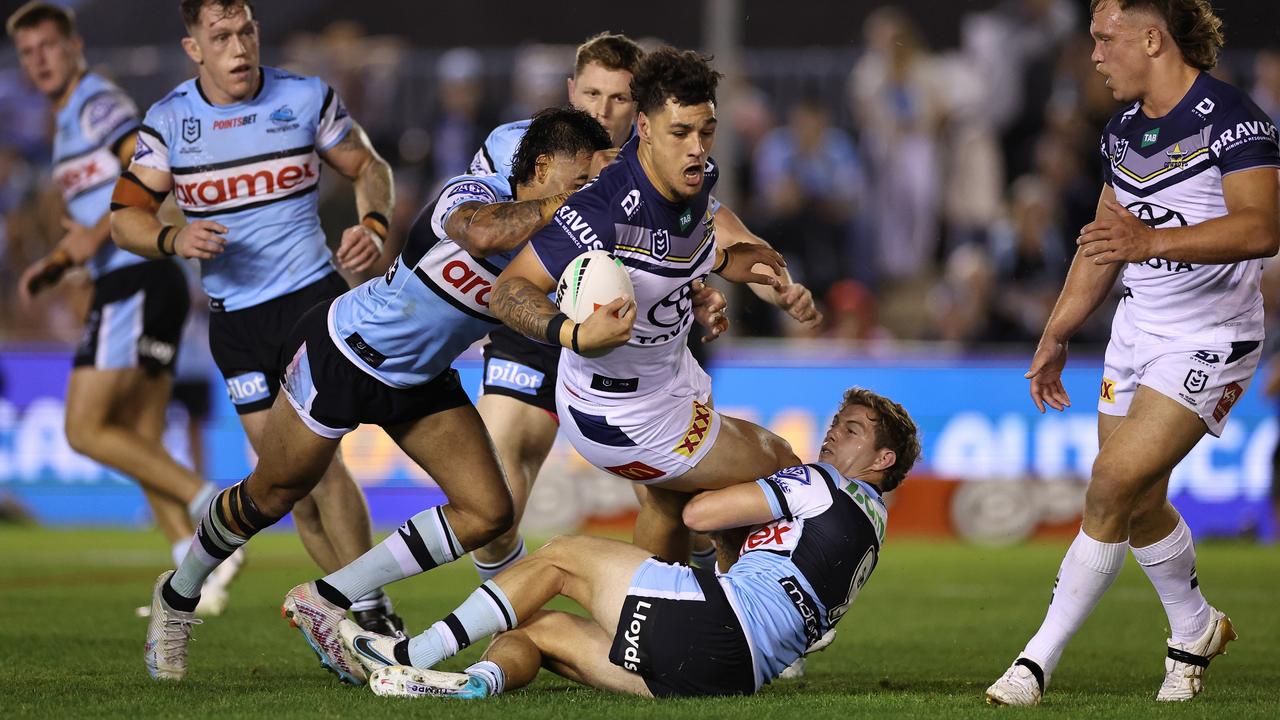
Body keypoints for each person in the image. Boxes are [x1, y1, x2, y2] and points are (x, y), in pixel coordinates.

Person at [139, 107, 619, 682]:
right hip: (347, 352)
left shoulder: (564, 243)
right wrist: (563, 207)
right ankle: (178, 596)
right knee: (272, 495)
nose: (587, 196)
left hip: (421, 379)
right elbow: (484, 232)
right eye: (581, 181)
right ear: (541, 167)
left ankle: (327, 598)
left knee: (489, 511)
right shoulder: (473, 191)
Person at [987, 0, 1280, 705]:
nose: (1093, 54)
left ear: (1151, 39)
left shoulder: (1234, 119)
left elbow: (1261, 229)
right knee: (1141, 499)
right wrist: (1056, 331)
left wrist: (1149, 244)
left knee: (1111, 481)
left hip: (1212, 337)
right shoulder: (1121, 130)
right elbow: (1103, 241)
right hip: (1136, 332)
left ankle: (1035, 662)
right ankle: (1195, 628)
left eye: (1104, 38)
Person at [468, 33, 821, 582]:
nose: (698, 147)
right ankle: (751, 608)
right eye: (682, 132)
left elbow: (694, 241)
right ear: (648, 128)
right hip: (618, 403)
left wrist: (712, 276)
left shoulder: (692, 173)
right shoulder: (594, 202)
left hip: (665, 374)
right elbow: (507, 287)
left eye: (707, 132)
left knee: (666, 505)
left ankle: (655, 617)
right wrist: (575, 333)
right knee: (779, 467)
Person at [109, 0, 400, 639]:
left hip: (308, 306)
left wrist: (374, 223)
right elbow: (123, 218)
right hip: (235, 325)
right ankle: (351, 613)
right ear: (194, 48)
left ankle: (375, 612)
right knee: (285, 484)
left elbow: (368, 166)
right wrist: (172, 241)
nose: (238, 48)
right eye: (221, 37)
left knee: (322, 466)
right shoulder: (169, 122)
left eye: (246, 32)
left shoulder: (303, 98)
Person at [339, 388, 918, 700]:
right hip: (732, 674)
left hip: (715, 625)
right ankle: (471, 686)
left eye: (853, 430)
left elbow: (701, 510)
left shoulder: (820, 481)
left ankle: (411, 658)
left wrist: (713, 471)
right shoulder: (873, 525)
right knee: (533, 632)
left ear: (882, 460)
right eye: (838, 421)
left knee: (562, 557)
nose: (832, 433)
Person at [7, 2, 238, 610]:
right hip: (143, 278)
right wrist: (67, 253)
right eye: (29, 53)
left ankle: (209, 510)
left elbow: (141, 165)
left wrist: (81, 245)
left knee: (85, 429)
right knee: (138, 436)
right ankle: (197, 577)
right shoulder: (63, 126)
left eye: (49, 46)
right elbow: (98, 211)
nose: (40, 61)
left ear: (74, 45)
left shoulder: (94, 101)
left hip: (134, 277)